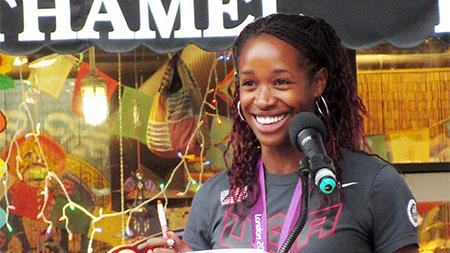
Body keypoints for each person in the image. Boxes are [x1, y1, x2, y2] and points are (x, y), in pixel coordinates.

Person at [141, 13, 419, 253]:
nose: (262, 100)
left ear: (318, 82)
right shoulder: (214, 195)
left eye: (281, 82)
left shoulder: (374, 183)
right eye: (250, 83)